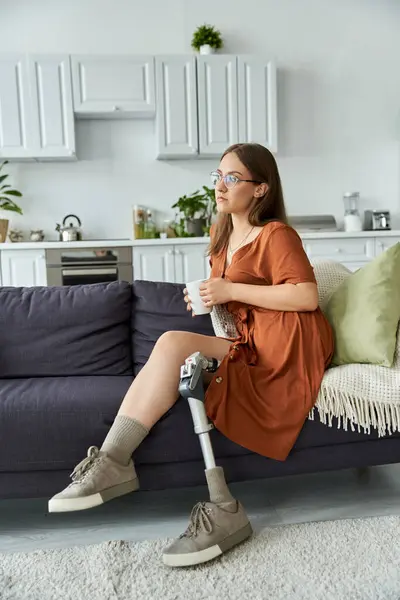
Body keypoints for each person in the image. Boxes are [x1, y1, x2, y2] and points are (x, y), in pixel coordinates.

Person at [48, 142, 334, 566]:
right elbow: (236, 302)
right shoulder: (222, 238)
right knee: (171, 345)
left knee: (171, 343)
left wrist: (230, 290)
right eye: (218, 175)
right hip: (252, 342)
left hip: (286, 348)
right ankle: (111, 460)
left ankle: (114, 463)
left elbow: (306, 295)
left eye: (232, 178)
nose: (220, 185)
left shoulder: (276, 234)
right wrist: (209, 298)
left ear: (260, 189)